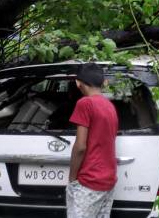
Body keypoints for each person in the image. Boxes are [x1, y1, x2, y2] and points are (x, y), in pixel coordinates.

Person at [66, 63, 118, 218]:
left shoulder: (85, 104)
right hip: (108, 180)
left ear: (78, 82)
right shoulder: (109, 106)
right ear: (102, 82)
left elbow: (80, 147)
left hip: (89, 181)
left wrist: (72, 179)